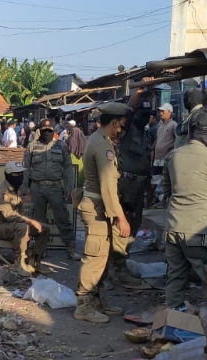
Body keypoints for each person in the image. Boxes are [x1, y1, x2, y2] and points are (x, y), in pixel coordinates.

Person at [162, 110, 207, 310]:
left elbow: (166, 190)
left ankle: (173, 320)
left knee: (175, 277)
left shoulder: (173, 155)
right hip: (200, 230)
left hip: (173, 228)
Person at [74, 102, 132, 324]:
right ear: (115, 121)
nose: (122, 129)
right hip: (98, 207)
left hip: (98, 205)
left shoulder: (99, 140)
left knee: (103, 255)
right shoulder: (102, 146)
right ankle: (84, 305)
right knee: (95, 256)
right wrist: (121, 217)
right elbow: (107, 185)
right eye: (121, 124)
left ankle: (95, 299)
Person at [109, 96, 153, 288]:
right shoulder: (126, 130)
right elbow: (124, 111)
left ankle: (121, 263)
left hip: (140, 186)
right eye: (142, 114)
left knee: (133, 228)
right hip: (126, 186)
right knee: (121, 227)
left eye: (148, 115)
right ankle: (116, 269)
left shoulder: (146, 134)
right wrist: (138, 93)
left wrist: (149, 188)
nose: (146, 118)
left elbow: (146, 161)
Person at [21, 118, 75, 261]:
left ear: (53, 131)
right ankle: (41, 249)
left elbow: (68, 167)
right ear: (39, 130)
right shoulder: (32, 146)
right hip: (37, 187)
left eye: (49, 131)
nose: (46, 133)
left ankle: (70, 247)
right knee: (39, 220)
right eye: (44, 130)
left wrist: (69, 186)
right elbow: (25, 168)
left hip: (55, 187)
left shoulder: (61, 146)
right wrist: (23, 188)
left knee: (62, 218)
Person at [0, 161, 51, 277]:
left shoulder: (15, 190)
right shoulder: (1, 192)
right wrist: (29, 221)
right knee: (23, 227)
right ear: (7, 175)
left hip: (13, 225)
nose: (19, 177)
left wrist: (31, 224)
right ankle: (19, 262)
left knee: (44, 228)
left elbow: (19, 213)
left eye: (20, 174)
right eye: (15, 174)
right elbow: (9, 215)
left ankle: (35, 260)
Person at [150, 103, 177, 208]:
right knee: (155, 179)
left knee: (165, 180)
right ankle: (153, 200)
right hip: (157, 157)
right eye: (160, 111)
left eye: (163, 111)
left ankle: (165, 200)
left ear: (169, 112)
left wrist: (170, 148)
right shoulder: (160, 124)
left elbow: (177, 139)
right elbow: (158, 139)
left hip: (166, 157)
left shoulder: (173, 125)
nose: (161, 113)